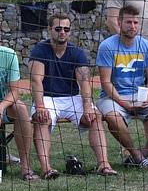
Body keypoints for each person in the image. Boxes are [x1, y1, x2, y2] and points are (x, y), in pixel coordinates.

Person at [29, 14, 117, 179]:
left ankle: (104, 164)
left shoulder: (77, 53)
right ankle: (47, 169)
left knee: (95, 116)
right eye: (58, 29)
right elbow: (36, 80)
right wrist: (40, 106)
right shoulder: (39, 50)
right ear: (50, 30)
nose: (62, 32)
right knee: (42, 118)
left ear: (70, 31)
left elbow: (84, 83)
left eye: (66, 29)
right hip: (47, 97)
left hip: (72, 97)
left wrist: (87, 107)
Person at [97, 5, 148, 168]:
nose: (133, 26)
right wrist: (124, 103)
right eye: (129, 22)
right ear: (119, 22)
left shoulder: (146, 46)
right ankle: (136, 155)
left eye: (136, 23)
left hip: (140, 95)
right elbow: (105, 82)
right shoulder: (107, 46)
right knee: (113, 118)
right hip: (113, 96)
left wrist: (147, 97)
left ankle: (143, 154)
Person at [0, 46, 36, 181]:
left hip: (4, 105)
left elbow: (15, 92)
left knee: (20, 108)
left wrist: (1, 106)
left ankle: (25, 167)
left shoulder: (9, 54)